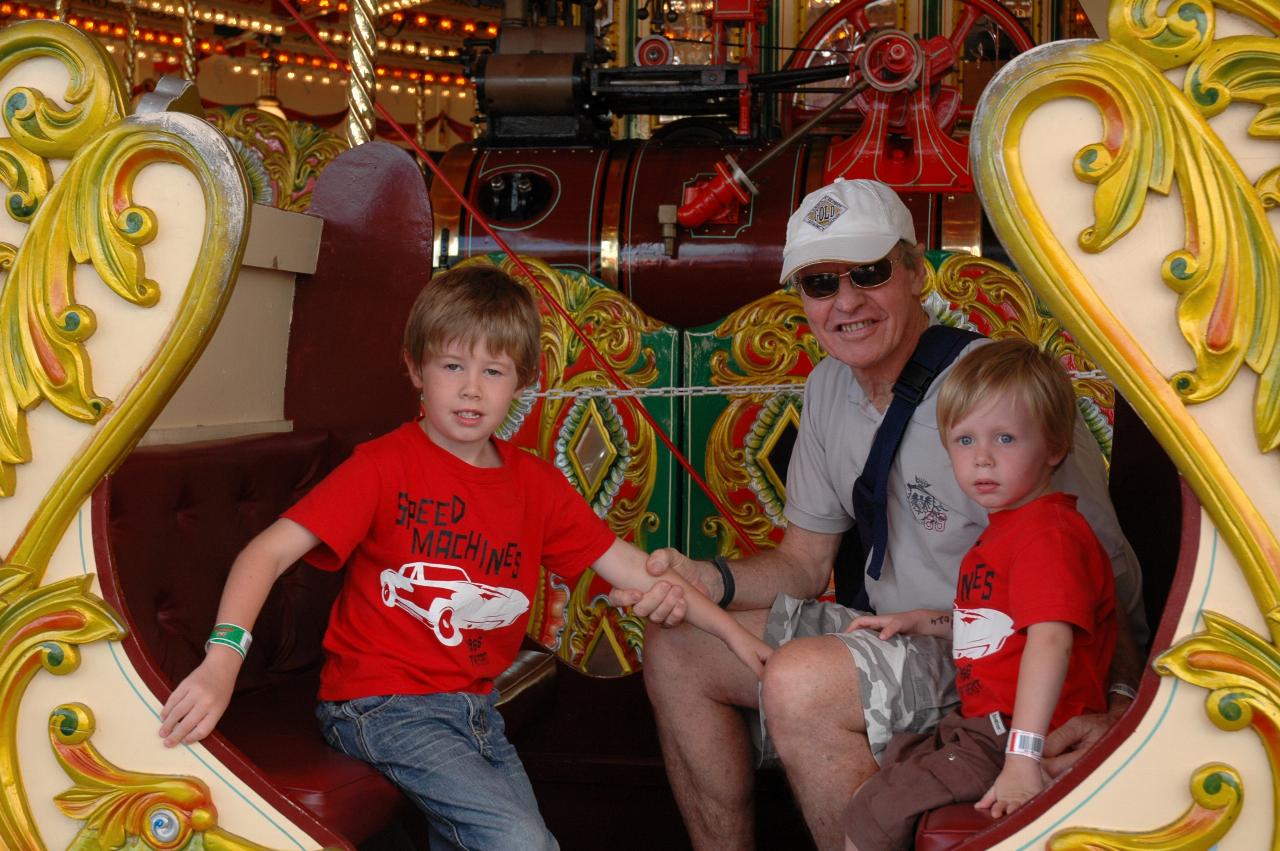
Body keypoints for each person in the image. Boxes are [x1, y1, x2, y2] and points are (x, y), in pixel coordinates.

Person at [157, 264, 772, 850]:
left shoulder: (534, 485)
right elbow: (265, 553)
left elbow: (637, 569)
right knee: (519, 842)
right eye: (452, 365)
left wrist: (736, 639)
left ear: (524, 382)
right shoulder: (382, 467)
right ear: (416, 369)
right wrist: (222, 661)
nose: (472, 389)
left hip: (475, 712)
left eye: (495, 372)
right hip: (379, 705)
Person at [611, 178, 1147, 850]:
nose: (847, 301)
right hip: (899, 630)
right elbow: (803, 565)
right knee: (679, 647)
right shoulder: (827, 387)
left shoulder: (996, 395)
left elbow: (1102, 568)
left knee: (802, 681)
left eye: (869, 273)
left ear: (915, 273)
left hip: (993, 657)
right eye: (820, 283)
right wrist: (702, 578)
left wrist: (1123, 702)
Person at [842, 338, 1117, 850]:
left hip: (1013, 732)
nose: (982, 459)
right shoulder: (1006, 531)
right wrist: (922, 620)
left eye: (1006, 439)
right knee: (897, 766)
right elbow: (999, 623)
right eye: (964, 441)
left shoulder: (1047, 535)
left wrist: (1023, 757)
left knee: (870, 816)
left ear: (1055, 446)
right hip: (985, 727)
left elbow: (1050, 641)